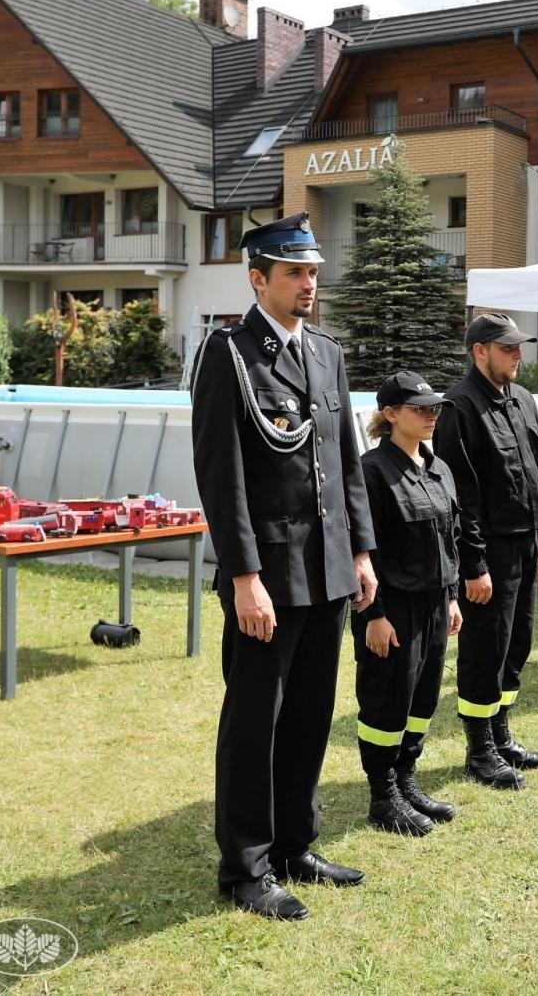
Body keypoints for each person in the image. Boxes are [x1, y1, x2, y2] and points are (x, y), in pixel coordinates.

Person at [190, 212, 377, 921]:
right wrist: (243, 578)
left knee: (309, 716)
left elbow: (347, 463)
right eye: (295, 273)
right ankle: (245, 868)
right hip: (267, 577)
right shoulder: (229, 355)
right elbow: (222, 475)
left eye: (313, 272)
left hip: (327, 572)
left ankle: (296, 845)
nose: (309, 284)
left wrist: (360, 552)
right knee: (255, 722)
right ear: (257, 277)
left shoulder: (326, 354)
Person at [434, 313, 538, 792]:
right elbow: (459, 496)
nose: (518, 355)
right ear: (479, 351)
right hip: (491, 551)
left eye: (519, 347)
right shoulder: (459, 407)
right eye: (508, 348)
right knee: (485, 647)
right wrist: (474, 564)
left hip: (528, 541)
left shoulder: (522, 400)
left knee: (518, 641)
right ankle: (479, 749)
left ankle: (502, 735)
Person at [353, 373, 462, 837]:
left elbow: (451, 537)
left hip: (436, 602)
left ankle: (406, 780)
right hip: (391, 607)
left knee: (423, 697)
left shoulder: (439, 468)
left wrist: (453, 597)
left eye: (435, 408)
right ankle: (383, 796)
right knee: (386, 699)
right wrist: (373, 616)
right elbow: (362, 549)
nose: (431, 415)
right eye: (420, 409)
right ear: (391, 414)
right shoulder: (372, 471)